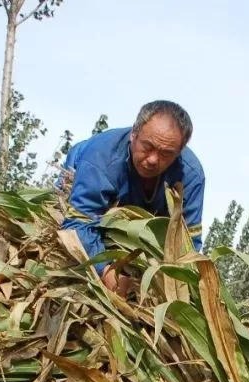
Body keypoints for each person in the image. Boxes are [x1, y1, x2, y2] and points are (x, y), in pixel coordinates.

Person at [58, 100, 205, 297]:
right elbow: (78, 222)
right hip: (83, 172)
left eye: (166, 154)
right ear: (133, 133)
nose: (153, 159)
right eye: (147, 146)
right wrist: (105, 269)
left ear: (179, 152)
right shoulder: (101, 156)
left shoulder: (191, 176)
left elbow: (188, 243)